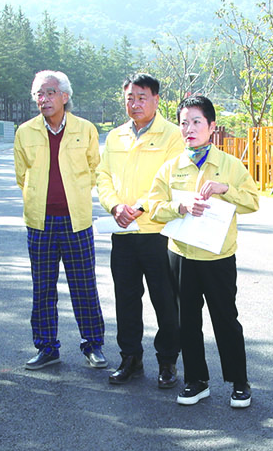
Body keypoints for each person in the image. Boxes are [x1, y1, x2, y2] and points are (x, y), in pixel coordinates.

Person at [143, 95, 260, 407]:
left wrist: (226, 190)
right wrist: (179, 206)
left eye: (196, 122)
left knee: (226, 319)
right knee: (187, 321)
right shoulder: (171, 168)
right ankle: (196, 381)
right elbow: (154, 207)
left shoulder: (229, 165)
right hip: (181, 256)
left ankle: (239, 382)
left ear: (211, 126)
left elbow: (252, 201)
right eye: (184, 123)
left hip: (218, 257)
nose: (189, 129)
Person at [13, 70, 107, 370]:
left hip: (76, 221)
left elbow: (95, 169)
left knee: (84, 286)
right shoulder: (25, 132)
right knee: (42, 288)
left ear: (65, 96)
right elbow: (21, 175)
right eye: (39, 94)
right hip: (39, 222)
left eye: (50, 92)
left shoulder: (85, 129)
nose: (44, 99)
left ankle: (93, 345)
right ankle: (46, 347)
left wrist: (75, 193)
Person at [96, 73, 185, 388]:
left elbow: (173, 179)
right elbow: (103, 176)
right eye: (130, 98)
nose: (135, 104)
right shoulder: (115, 136)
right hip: (123, 231)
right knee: (126, 299)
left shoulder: (172, 135)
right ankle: (130, 358)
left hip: (158, 231)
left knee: (165, 300)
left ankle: (167, 361)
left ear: (156, 99)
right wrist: (114, 206)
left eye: (142, 98)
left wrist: (140, 206)